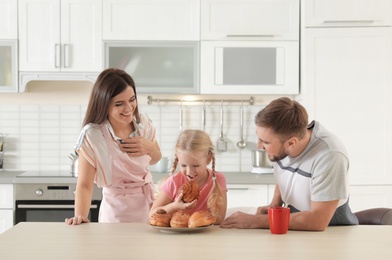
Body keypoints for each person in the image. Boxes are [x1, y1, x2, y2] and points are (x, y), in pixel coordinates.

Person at [221, 97, 358, 231]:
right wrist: (275, 204)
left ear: (292, 143)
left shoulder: (329, 155)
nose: (259, 146)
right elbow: (283, 171)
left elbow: (318, 220)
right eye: (259, 138)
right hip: (292, 227)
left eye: (266, 142)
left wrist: (253, 221)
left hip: (331, 233)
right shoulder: (283, 144)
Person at [65, 68, 162, 225]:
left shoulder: (143, 123)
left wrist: (149, 147)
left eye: (132, 99)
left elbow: (155, 159)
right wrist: (80, 215)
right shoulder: (94, 135)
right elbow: (84, 184)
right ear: (104, 104)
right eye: (119, 104)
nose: (129, 108)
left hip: (149, 207)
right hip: (116, 214)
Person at [150, 129, 228, 224]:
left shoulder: (217, 180)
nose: (189, 172)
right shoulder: (174, 182)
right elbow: (152, 214)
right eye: (183, 165)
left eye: (196, 166)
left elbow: (219, 219)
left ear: (208, 159)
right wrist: (174, 206)